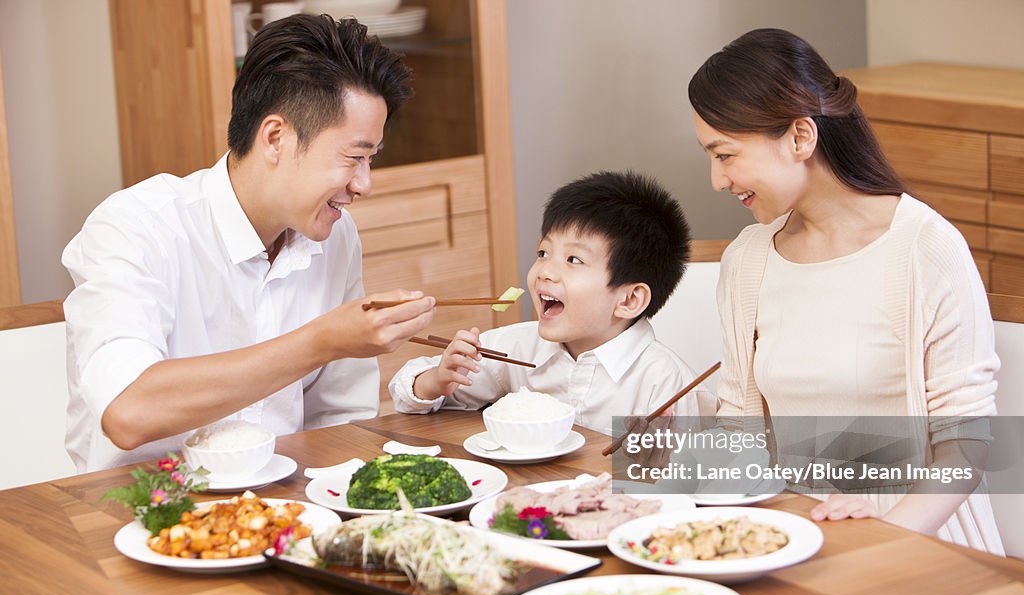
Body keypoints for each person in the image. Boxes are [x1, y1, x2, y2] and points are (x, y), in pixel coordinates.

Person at [62, 15, 435, 472]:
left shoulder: (334, 236)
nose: (364, 184)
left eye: (371, 159)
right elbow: (128, 411)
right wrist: (322, 341)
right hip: (139, 512)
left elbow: (342, 421)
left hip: (283, 510)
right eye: (353, 157)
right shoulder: (135, 227)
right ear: (276, 138)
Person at [689, 28, 1003, 554]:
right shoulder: (748, 260)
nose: (717, 179)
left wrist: (884, 537)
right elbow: (740, 431)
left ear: (800, 137)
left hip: (919, 542)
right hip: (795, 534)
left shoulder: (926, 248)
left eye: (725, 155)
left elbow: (965, 446)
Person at [389, 170, 717, 435]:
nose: (545, 271)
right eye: (544, 253)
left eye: (573, 260)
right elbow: (406, 390)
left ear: (629, 299)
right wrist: (438, 380)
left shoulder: (664, 380)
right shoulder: (516, 346)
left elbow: (686, 476)